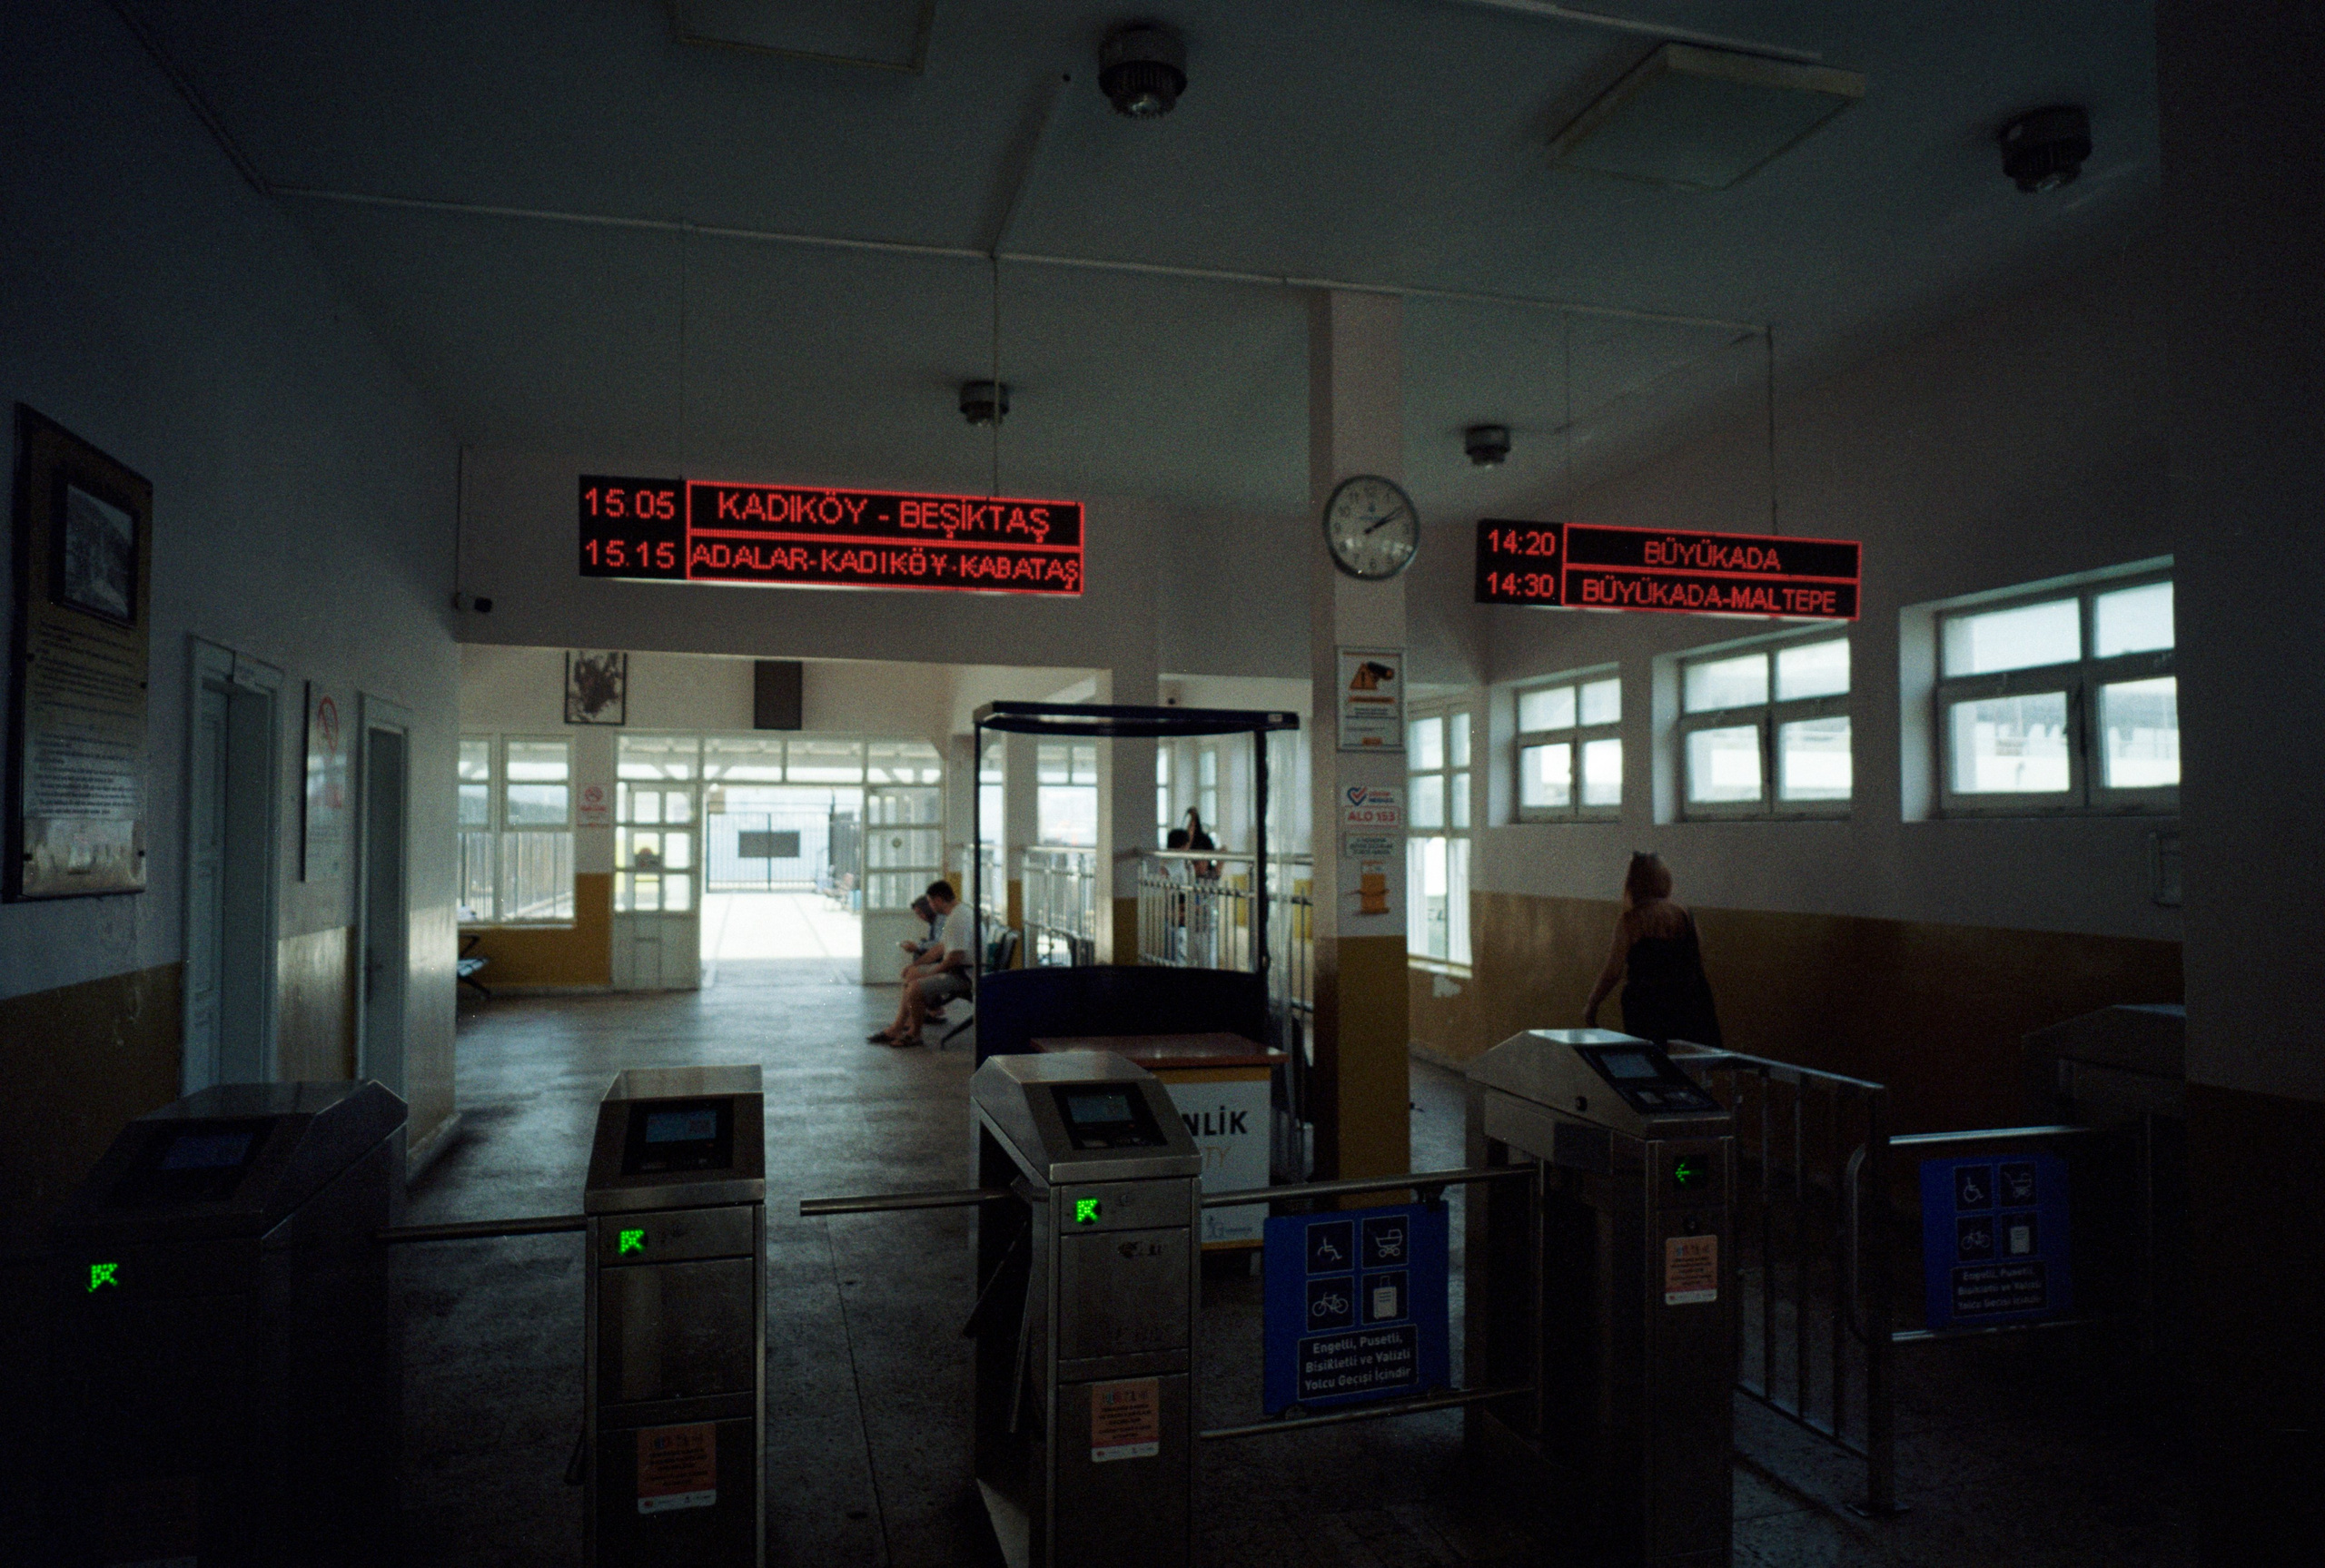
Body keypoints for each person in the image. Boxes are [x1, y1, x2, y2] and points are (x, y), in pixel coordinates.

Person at [1583, 852, 1722, 1048]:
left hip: (1646, 1007)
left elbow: (1613, 971)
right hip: (1687, 1003)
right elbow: (1697, 960)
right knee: (1687, 1060)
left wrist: (1592, 1004)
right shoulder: (1684, 916)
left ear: (1632, 883)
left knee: (1651, 1059)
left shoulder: (1631, 921)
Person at [871, 880, 974, 1046]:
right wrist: (916, 966)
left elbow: (954, 958)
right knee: (912, 974)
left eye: (930, 902)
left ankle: (914, 1033)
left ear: (938, 900)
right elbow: (939, 948)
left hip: (965, 976)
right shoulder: (957, 914)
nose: (930, 906)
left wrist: (928, 974)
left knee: (915, 988)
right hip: (959, 970)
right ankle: (897, 1027)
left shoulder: (958, 919)